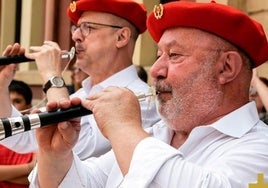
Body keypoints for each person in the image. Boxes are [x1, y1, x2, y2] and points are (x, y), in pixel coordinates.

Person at [28, 1, 268, 187]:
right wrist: (55, 155)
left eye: (174, 55)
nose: (155, 70)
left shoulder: (260, 147)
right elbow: (90, 183)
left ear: (226, 68)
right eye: (158, 56)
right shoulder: (158, 134)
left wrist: (124, 127)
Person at [0, 0, 160, 160]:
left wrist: (52, 76)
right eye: (76, 28)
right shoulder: (82, 93)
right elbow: (23, 137)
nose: (75, 36)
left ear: (121, 37)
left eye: (87, 28)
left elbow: (73, 147)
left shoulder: (141, 98)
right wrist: (2, 84)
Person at [0, 78, 35, 187]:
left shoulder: (36, 134)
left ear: (28, 107)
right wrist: (29, 168)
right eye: (7, 101)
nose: (10, 107)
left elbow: (37, 178)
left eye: (17, 101)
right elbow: (33, 173)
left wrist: (4, 175)